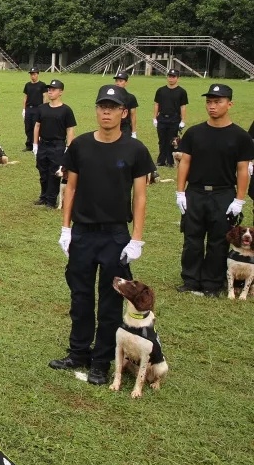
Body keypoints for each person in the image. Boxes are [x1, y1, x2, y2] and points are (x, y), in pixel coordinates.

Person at [51, 85, 153, 386]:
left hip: (115, 235)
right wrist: (66, 229)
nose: (106, 112)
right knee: (80, 296)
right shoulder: (81, 145)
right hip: (83, 232)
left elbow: (140, 197)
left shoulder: (135, 149)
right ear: (96, 110)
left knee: (110, 301)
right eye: (101, 106)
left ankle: (101, 361)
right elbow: (70, 188)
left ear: (124, 112)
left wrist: (136, 238)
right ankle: (78, 352)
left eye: (113, 107)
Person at [176, 84, 254, 296]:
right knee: (192, 238)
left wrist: (239, 200)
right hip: (196, 192)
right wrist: (180, 192)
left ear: (229, 104)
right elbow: (185, 162)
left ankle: (212, 283)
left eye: (218, 101)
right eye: (209, 102)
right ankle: (191, 280)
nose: (212, 106)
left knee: (218, 240)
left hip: (223, 193)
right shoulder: (194, 133)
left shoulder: (240, 136)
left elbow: (243, 169)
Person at [33, 79, 76, 209]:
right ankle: (43, 196)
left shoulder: (66, 110)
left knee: (54, 172)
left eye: (53, 89)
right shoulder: (42, 108)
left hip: (58, 145)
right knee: (42, 171)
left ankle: (51, 200)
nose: (50, 91)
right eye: (49, 89)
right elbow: (37, 126)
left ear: (61, 92)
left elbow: (70, 129)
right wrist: (35, 144)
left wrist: (69, 146)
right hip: (43, 144)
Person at [153, 69, 188, 167]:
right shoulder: (160, 90)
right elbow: (156, 104)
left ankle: (170, 160)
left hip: (174, 119)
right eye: (169, 76)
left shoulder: (182, 92)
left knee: (172, 140)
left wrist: (183, 120)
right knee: (162, 140)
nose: (171, 78)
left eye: (173, 77)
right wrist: (154, 118)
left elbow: (183, 106)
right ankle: (161, 160)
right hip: (162, 118)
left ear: (177, 78)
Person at [22, 67, 46, 151]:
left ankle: (36, 144)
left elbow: (44, 97)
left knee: (36, 126)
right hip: (29, 108)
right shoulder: (27, 85)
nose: (33, 76)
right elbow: (25, 97)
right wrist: (24, 109)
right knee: (28, 127)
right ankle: (29, 145)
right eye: (31, 74)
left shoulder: (42, 85)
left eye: (34, 74)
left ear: (37, 74)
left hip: (38, 108)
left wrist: (44, 108)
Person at [113, 71, 139, 139]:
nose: (118, 83)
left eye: (121, 81)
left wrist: (134, 132)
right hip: (112, 126)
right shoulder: (110, 97)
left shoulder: (131, 97)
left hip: (125, 127)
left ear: (126, 83)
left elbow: (133, 115)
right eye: (116, 81)